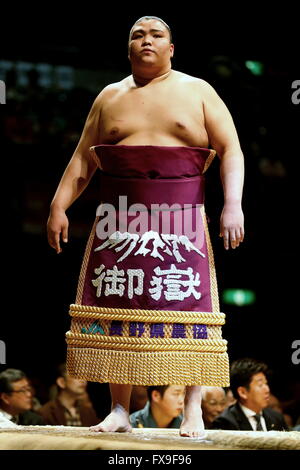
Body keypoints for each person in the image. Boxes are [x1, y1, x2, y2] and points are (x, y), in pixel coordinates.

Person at [47, 15, 244, 438]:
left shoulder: (198, 91)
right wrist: (58, 206)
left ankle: (193, 408)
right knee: (121, 305)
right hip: (118, 219)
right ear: (129, 47)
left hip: (182, 217)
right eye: (138, 35)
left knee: (187, 306)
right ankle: (119, 408)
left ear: (171, 48)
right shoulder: (109, 96)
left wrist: (233, 205)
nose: (147, 40)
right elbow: (84, 158)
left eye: (157, 35)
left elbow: (231, 149)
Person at [211, 358, 289, 431]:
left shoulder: (276, 418)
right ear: (242, 392)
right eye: (260, 385)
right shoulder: (225, 422)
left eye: (266, 383)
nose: (267, 390)